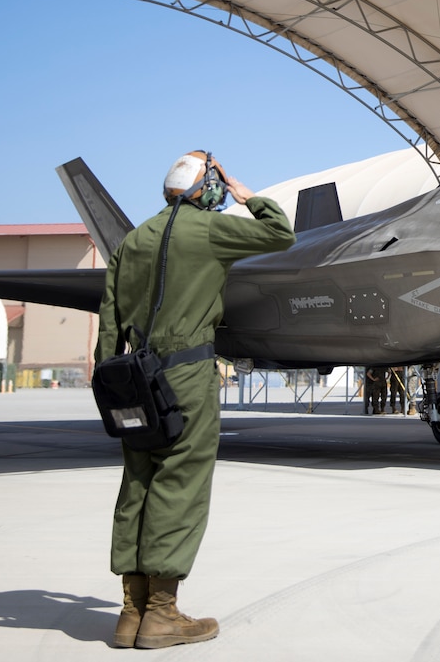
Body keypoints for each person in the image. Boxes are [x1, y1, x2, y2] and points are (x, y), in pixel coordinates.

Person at [96, 150, 295, 649]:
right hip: (186, 376)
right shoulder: (208, 230)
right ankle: (161, 614)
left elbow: (107, 319)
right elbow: (281, 235)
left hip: (132, 380)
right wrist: (250, 198)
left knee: (137, 481)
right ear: (207, 187)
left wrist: (109, 379)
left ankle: (130, 613)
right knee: (179, 485)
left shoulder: (132, 240)